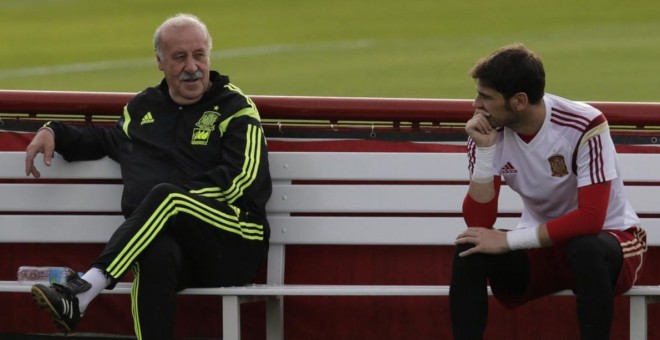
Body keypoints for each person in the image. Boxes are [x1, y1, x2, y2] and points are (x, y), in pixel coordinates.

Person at [24, 13, 271, 339]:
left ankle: (83, 291)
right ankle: (82, 295)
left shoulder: (235, 107)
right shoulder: (142, 109)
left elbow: (244, 179)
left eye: (199, 54)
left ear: (209, 56)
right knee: (153, 253)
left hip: (234, 239)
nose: (192, 67)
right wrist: (54, 131)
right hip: (174, 246)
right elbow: (108, 140)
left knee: (167, 197)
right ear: (160, 62)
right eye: (179, 57)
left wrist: (179, 200)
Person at [449, 43, 647, 340]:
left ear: (518, 101)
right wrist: (486, 153)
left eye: (485, 97)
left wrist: (509, 240)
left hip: (610, 242)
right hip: (544, 248)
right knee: (469, 248)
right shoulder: (487, 132)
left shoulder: (585, 124)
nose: (475, 104)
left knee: (585, 247)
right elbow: (478, 222)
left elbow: (591, 218)